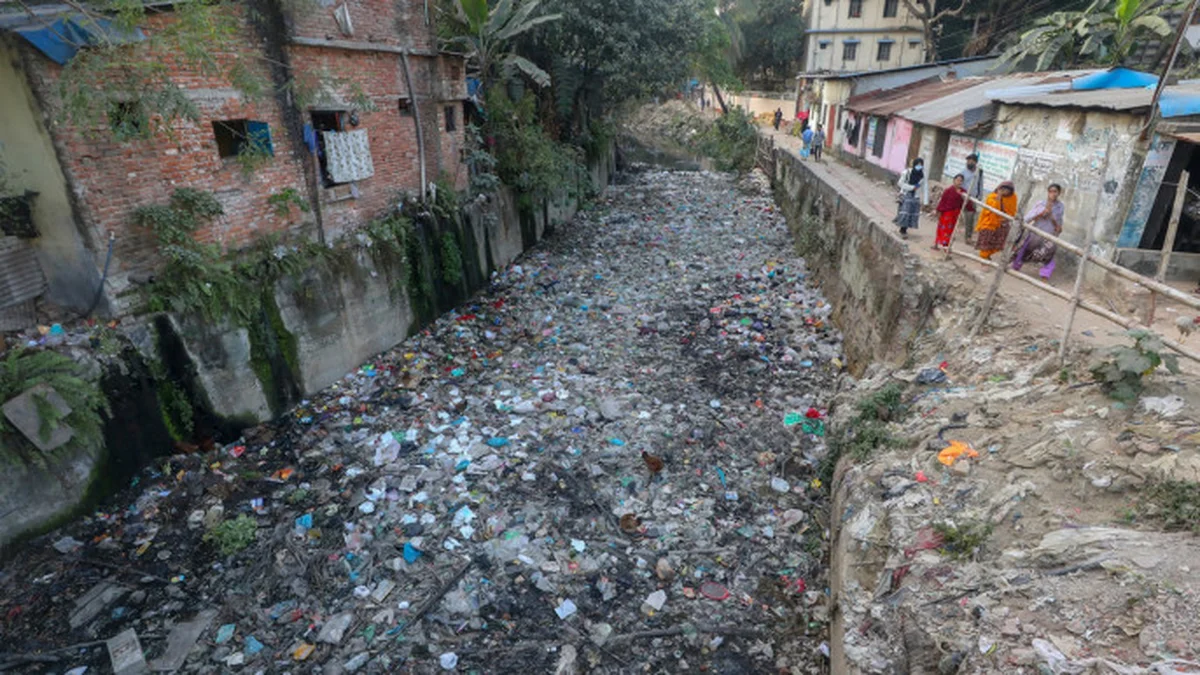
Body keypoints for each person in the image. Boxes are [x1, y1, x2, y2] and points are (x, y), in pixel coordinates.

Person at [1012, 183, 1065, 280]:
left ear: (1059, 193)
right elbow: (1028, 218)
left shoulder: (1060, 207)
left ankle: (1045, 275)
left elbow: (1059, 222)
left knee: (1049, 254)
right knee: (1025, 250)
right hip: (1036, 232)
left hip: (1049, 234)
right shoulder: (1040, 204)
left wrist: (1052, 218)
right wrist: (1041, 214)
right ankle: (1016, 266)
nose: (1053, 194)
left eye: (1055, 192)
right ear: (1048, 192)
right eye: (1051, 191)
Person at [975, 180, 1018, 260]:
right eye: (1003, 189)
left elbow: (1012, 211)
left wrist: (1005, 218)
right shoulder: (991, 196)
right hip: (989, 223)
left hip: (1002, 224)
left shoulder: (1013, 198)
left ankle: (987, 255)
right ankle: (984, 257)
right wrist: (998, 197)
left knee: (999, 243)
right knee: (986, 241)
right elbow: (992, 209)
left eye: (1008, 190)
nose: (1005, 191)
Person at [894, 158, 928, 238]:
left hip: (915, 197)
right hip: (906, 195)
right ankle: (902, 229)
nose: (919, 166)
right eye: (918, 165)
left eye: (921, 165)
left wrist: (925, 201)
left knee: (912, 214)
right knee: (905, 212)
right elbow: (900, 183)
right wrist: (911, 187)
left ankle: (905, 228)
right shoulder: (907, 172)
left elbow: (925, 187)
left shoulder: (923, 175)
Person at [933, 173, 967, 250]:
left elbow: (966, 203)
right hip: (947, 213)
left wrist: (963, 197)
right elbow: (943, 201)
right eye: (958, 180)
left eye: (961, 181)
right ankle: (937, 244)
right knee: (942, 229)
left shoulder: (963, 192)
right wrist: (938, 211)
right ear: (954, 180)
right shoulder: (948, 190)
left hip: (956, 214)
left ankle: (946, 246)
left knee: (951, 231)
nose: (959, 182)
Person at [960, 153, 985, 244]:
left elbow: (980, 184)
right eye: (968, 161)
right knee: (955, 215)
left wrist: (980, 196)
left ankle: (968, 237)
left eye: (971, 161)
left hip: (972, 199)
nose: (969, 162)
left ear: (975, 162)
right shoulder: (963, 172)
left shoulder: (979, 172)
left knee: (970, 218)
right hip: (962, 197)